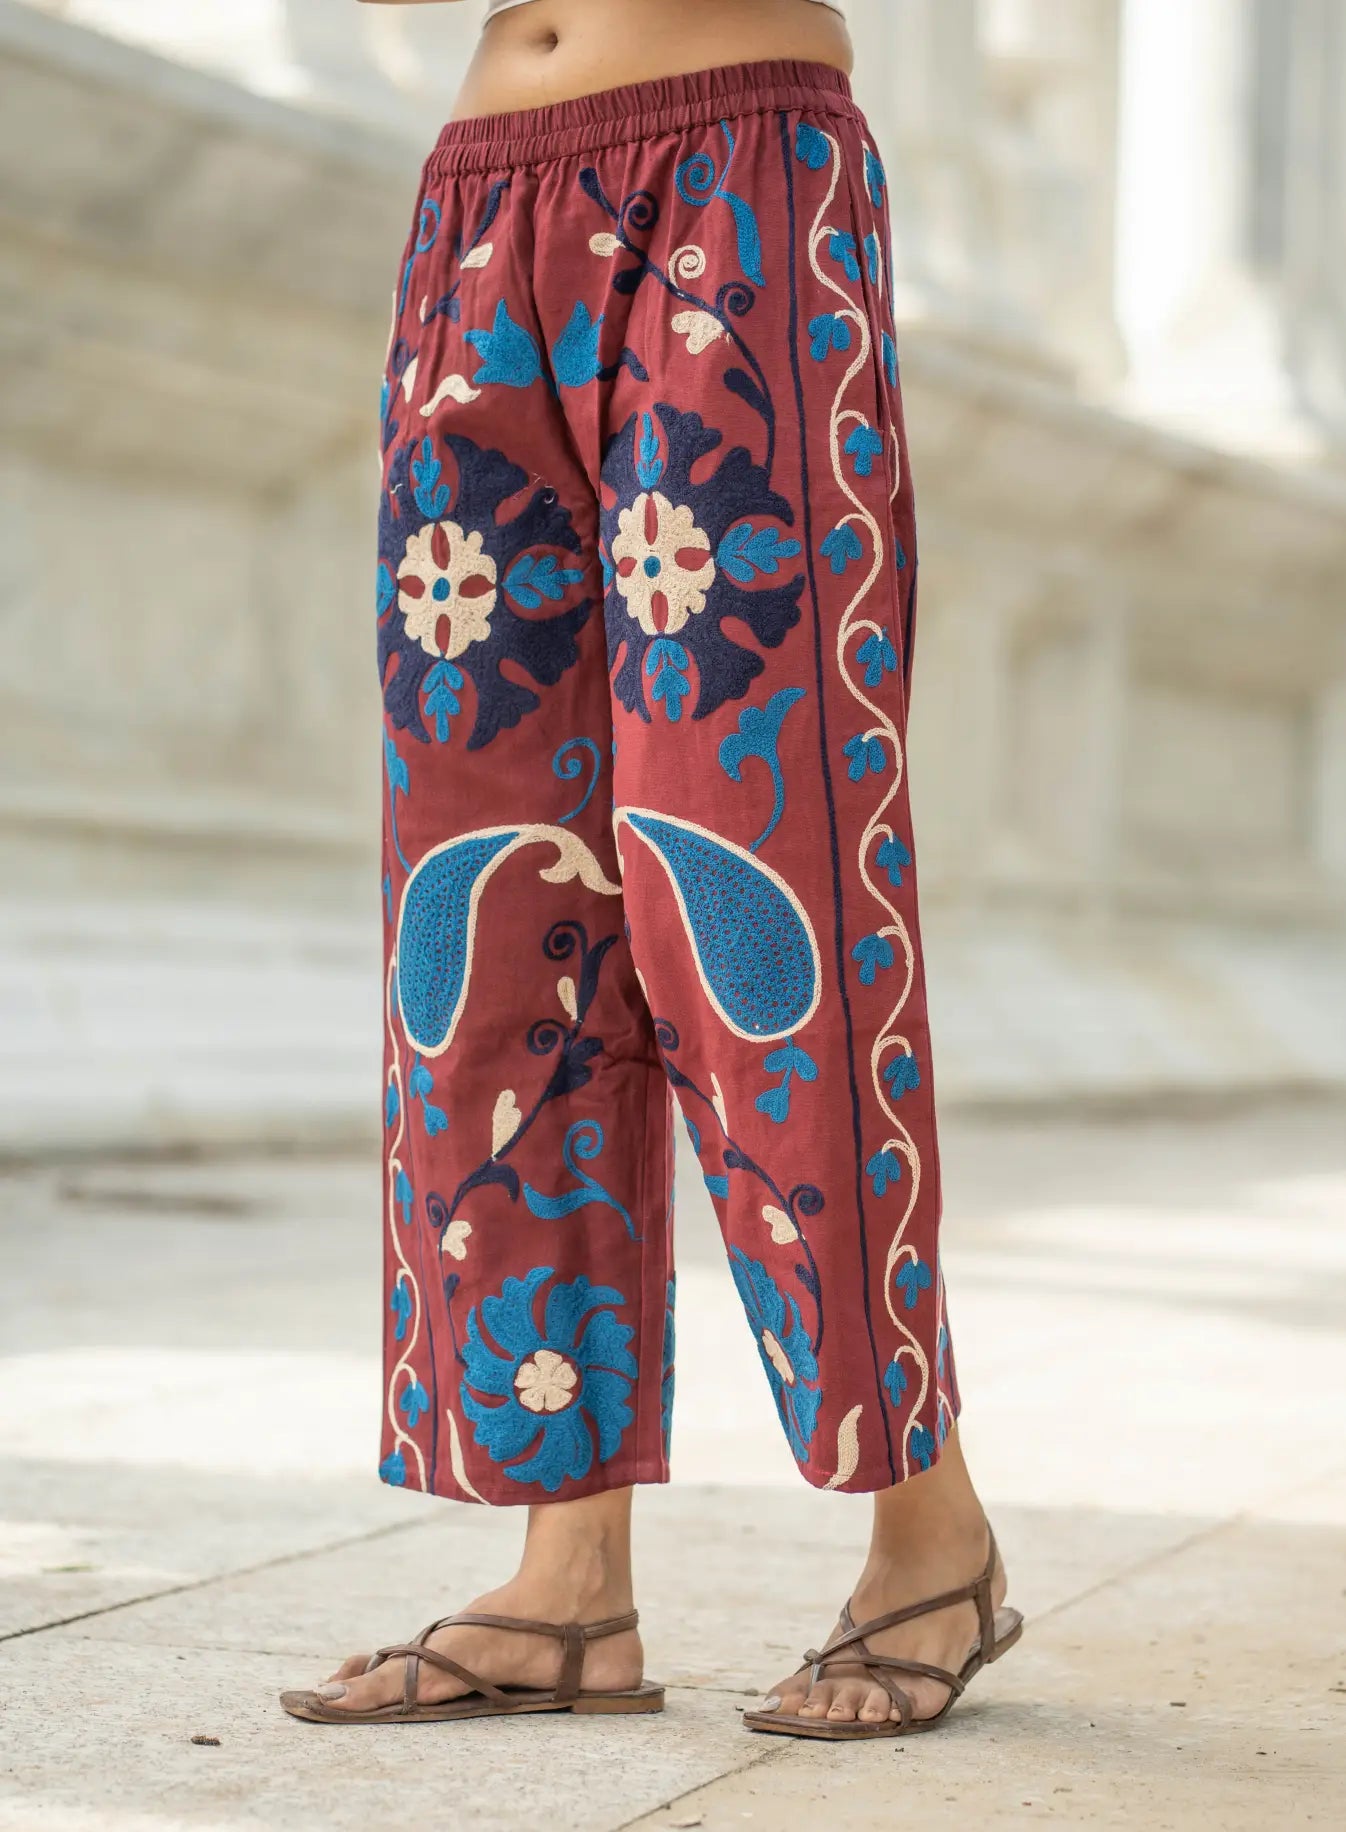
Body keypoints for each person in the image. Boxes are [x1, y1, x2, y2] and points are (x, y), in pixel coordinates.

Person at [281, 0, 1021, 1741]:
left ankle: (930, 1530)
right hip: (479, 212)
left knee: (754, 880)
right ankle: (568, 1587)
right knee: (486, 904)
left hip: (737, 177)